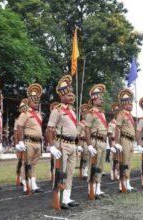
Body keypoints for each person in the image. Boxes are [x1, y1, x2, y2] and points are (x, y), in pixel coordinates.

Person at [46, 75, 79, 209]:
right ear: (62, 96)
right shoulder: (57, 110)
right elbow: (49, 129)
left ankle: (67, 197)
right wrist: (52, 146)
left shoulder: (73, 111)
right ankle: (59, 198)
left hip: (72, 145)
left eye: (72, 94)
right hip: (61, 144)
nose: (72, 97)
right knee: (61, 172)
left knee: (70, 172)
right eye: (69, 94)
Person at [16, 84, 44, 193]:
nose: (36, 103)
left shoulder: (39, 114)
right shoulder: (25, 113)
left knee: (33, 164)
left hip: (38, 142)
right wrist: (20, 141)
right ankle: (25, 184)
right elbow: (19, 127)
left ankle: (33, 184)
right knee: (26, 163)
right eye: (34, 102)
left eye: (37, 102)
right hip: (28, 141)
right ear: (29, 102)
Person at [85, 84, 108, 198]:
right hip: (95, 141)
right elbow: (87, 129)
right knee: (93, 166)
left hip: (103, 142)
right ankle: (91, 189)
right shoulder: (90, 113)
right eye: (99, 98)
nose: (101, 100)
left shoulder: (102, 114)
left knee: (100, 167)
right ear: (94, 100)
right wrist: (89, 145)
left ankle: (98, 189)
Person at [114, 88, 136, 192]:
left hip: (131, 140)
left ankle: (127, 183)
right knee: (124, 162)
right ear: (124, 104)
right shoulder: (121, 114)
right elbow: (117, 128)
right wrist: (117, 143)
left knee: (129, 162)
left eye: (131, 104)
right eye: (129, 104)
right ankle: (121, 184)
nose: (131, 105)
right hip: (124, 140)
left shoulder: (130, 115)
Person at [107, 103, 121, 181]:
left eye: (118, 111)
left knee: (118, 160)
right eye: (116, 111)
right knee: (113, 160)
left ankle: (117, 174)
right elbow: (109, 135)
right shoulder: (111, 123)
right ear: (114, 112)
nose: (117, 112)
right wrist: (111, 147)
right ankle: (112, 175)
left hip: (119, 143)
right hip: (113, 142)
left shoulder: (120, 123)